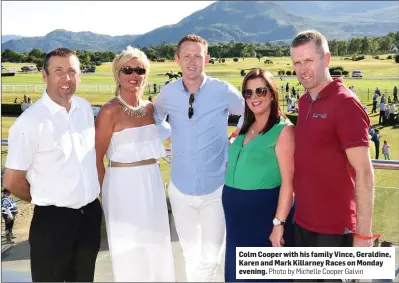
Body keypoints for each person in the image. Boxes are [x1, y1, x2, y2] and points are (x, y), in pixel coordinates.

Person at [2, 48, 102, 282]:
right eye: (58, 71)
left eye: (72, 71)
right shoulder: (30, 122)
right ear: (45, 76)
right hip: (53, 221)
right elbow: (11, 180)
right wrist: (44, 198)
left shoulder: (84, 108)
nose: (66, 78)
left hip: (89, 217)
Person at [153, 34, 244, 282]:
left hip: (215, 188)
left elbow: (249, 111)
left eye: (198, 56)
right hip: (180, 190)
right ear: (177, 59)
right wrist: (168, 134)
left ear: (208, 59)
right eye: (187, 56)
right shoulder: (168, 93)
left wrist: (237, 139)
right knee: (189, 253)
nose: (192, 62)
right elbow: (156, 118)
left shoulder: (222, 90)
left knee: (211, 256)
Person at [290, 30, 374, 257]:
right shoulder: (305, 100)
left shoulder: (346, 104)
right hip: (302, 223)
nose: (302, 69)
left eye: (308, 60)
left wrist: (364, 235)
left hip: (336, 231)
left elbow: (364, 172)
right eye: (297, 62)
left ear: (326, 59)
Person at [95, 46, 174, 282]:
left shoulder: (151, 108)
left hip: (152, 182)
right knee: (128, 250)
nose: (134, 75)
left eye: (139, 70)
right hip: (121, 186)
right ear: (117, 74)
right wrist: (104, 196)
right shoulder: (109, 111)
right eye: (127, 69)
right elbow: (96, 157)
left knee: (156, 245)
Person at [223, 68, 295, 282]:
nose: (254, 97)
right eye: (248, 92)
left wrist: (278, 225)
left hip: (263, 217)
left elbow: (289, 184)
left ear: (272, 94)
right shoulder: (246, 127)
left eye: (260, 91)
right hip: (236, 222)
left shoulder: (284, 130)